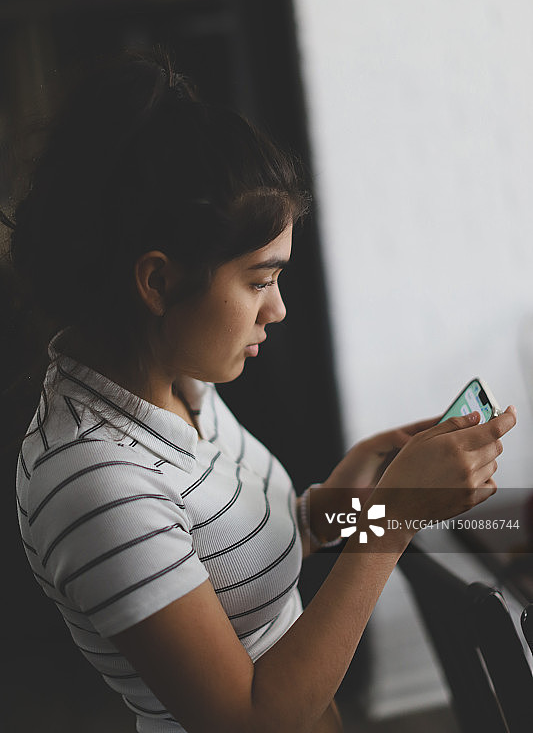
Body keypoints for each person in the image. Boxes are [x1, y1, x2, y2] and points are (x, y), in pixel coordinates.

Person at [7, 52, 516, 733]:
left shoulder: (179, 382)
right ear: (157, 282)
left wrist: (346, 508)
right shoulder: (94, 482)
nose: (276, 310)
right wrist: (393, 518)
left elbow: (267, 549)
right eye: (257, 281)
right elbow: (248, 720)